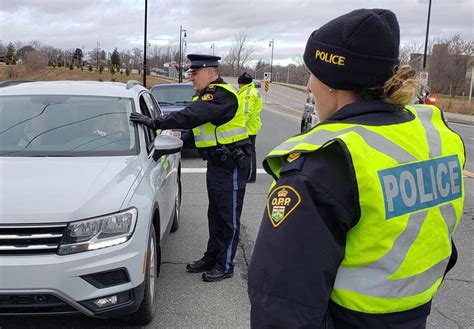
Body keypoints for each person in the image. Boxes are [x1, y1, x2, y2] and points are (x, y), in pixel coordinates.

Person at [248, 8, 465, 328]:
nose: (308, 86)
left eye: (313, 74)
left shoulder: (326, 163)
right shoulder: (438, 139)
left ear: (334, 82)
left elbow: (282, 304)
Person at [130, 54, 251, 282]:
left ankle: (225, 265)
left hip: (232, 165)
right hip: (217, 163)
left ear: (210, 72)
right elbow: (197, 132)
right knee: (215, 214)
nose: (191, 78)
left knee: (228, 217)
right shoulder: (207, 95)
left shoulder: (222, 95)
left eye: (195, 73)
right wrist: (166, 141)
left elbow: (193, 116)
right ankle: (212, 256)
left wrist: (157, 122)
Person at [237, 72, 263, 183]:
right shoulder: (251, 91)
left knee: (249, 151)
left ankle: (250, 175)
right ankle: (248, 174)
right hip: (251, 126)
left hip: (248, 127)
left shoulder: (247, 93)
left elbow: (246, 112)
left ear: (241, 83)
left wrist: (239, 125)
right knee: (248, 151)